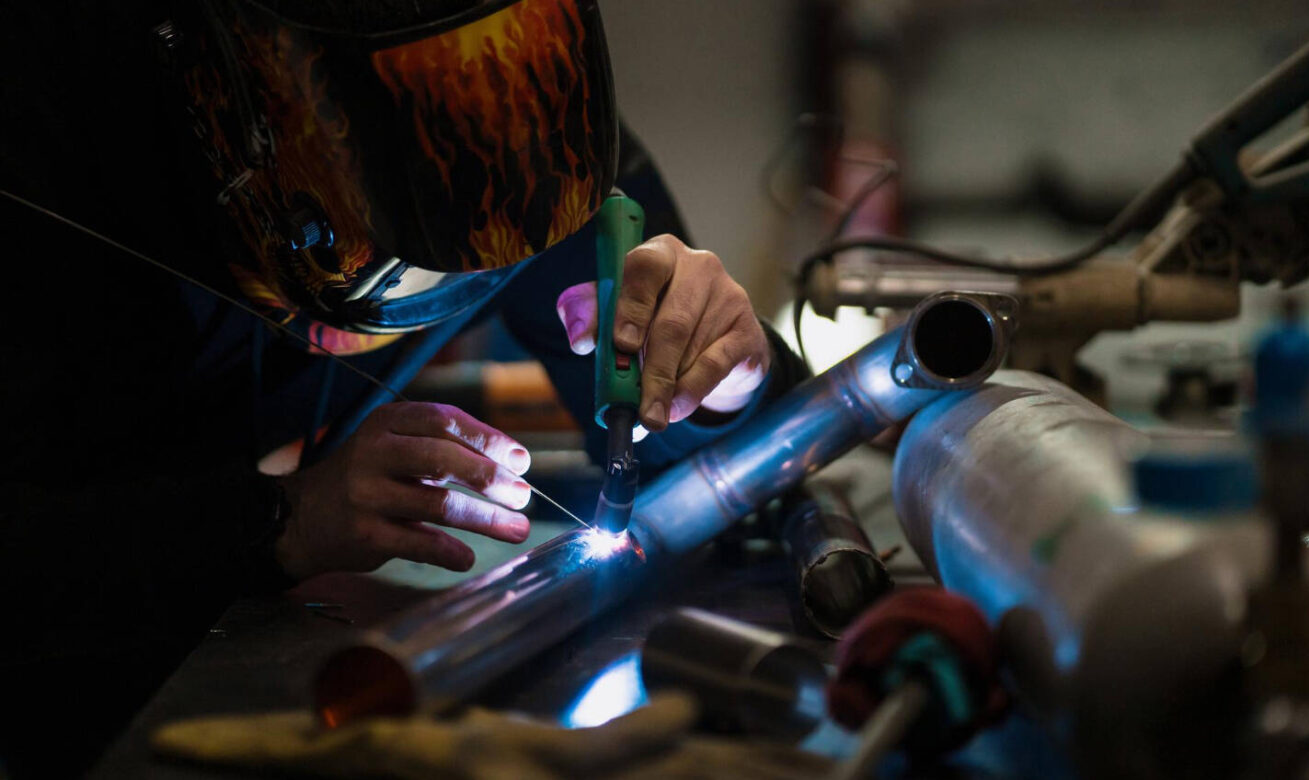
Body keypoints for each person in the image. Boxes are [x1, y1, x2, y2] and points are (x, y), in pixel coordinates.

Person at [0, 1, 806, 775]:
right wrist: (274, 519)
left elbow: (693, 457)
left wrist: (728, 385)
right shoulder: (47, 131)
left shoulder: (518, 99)